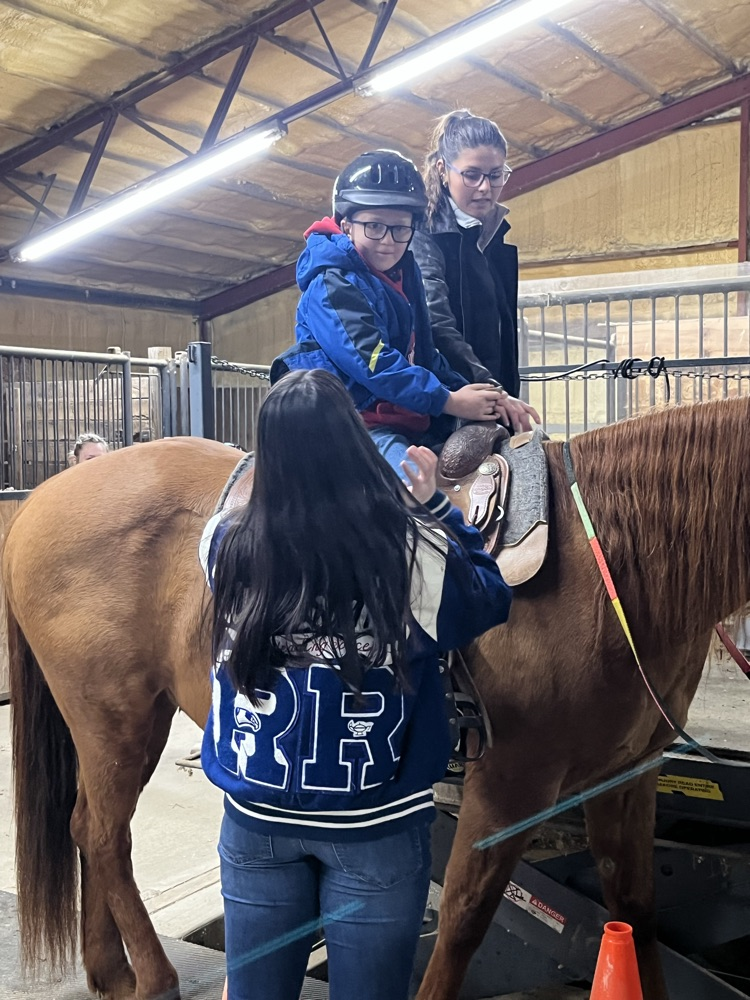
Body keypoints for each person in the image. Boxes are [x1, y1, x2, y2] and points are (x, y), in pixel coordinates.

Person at [199, 369, 512, 1000]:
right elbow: (488, 601)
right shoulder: (409, 543)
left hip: (255, 818)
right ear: (353, 440)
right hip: (375, 825)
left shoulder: (224, 542)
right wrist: (438, 508)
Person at [271, 149, 506, 479]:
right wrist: (448, 400)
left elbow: (424, 355)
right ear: (346, 225)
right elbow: (373, 361)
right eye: (374, 227)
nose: (388, 241)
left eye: (400, 229)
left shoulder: (403, 274)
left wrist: (482, 395)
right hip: (355, 423)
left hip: (402, 415)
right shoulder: (331, 284)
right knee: (413, 486)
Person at [412, 110, 540, 433]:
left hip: (492, 401)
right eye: (471, 175)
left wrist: (503, 395)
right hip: (446, 410)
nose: (485, 187)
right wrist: (493, 391)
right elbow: (436, 323)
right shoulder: (423, 236)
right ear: (443, 170)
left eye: (495, 175)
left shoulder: (489, 237)